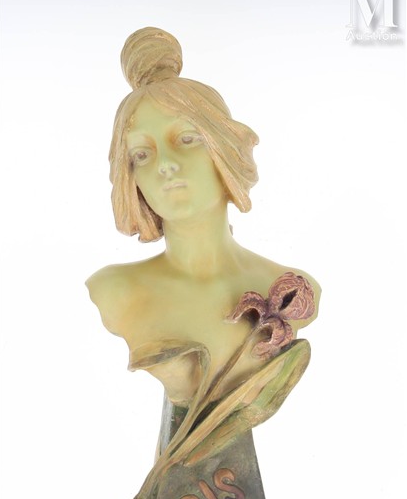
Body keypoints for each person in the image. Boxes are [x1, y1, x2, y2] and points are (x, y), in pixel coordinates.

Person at [86, 27, 321, 408]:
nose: (165, 164)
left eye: (186, 139)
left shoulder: (290, 290)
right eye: (142, 154)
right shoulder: (115, 291)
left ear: (224, 149)